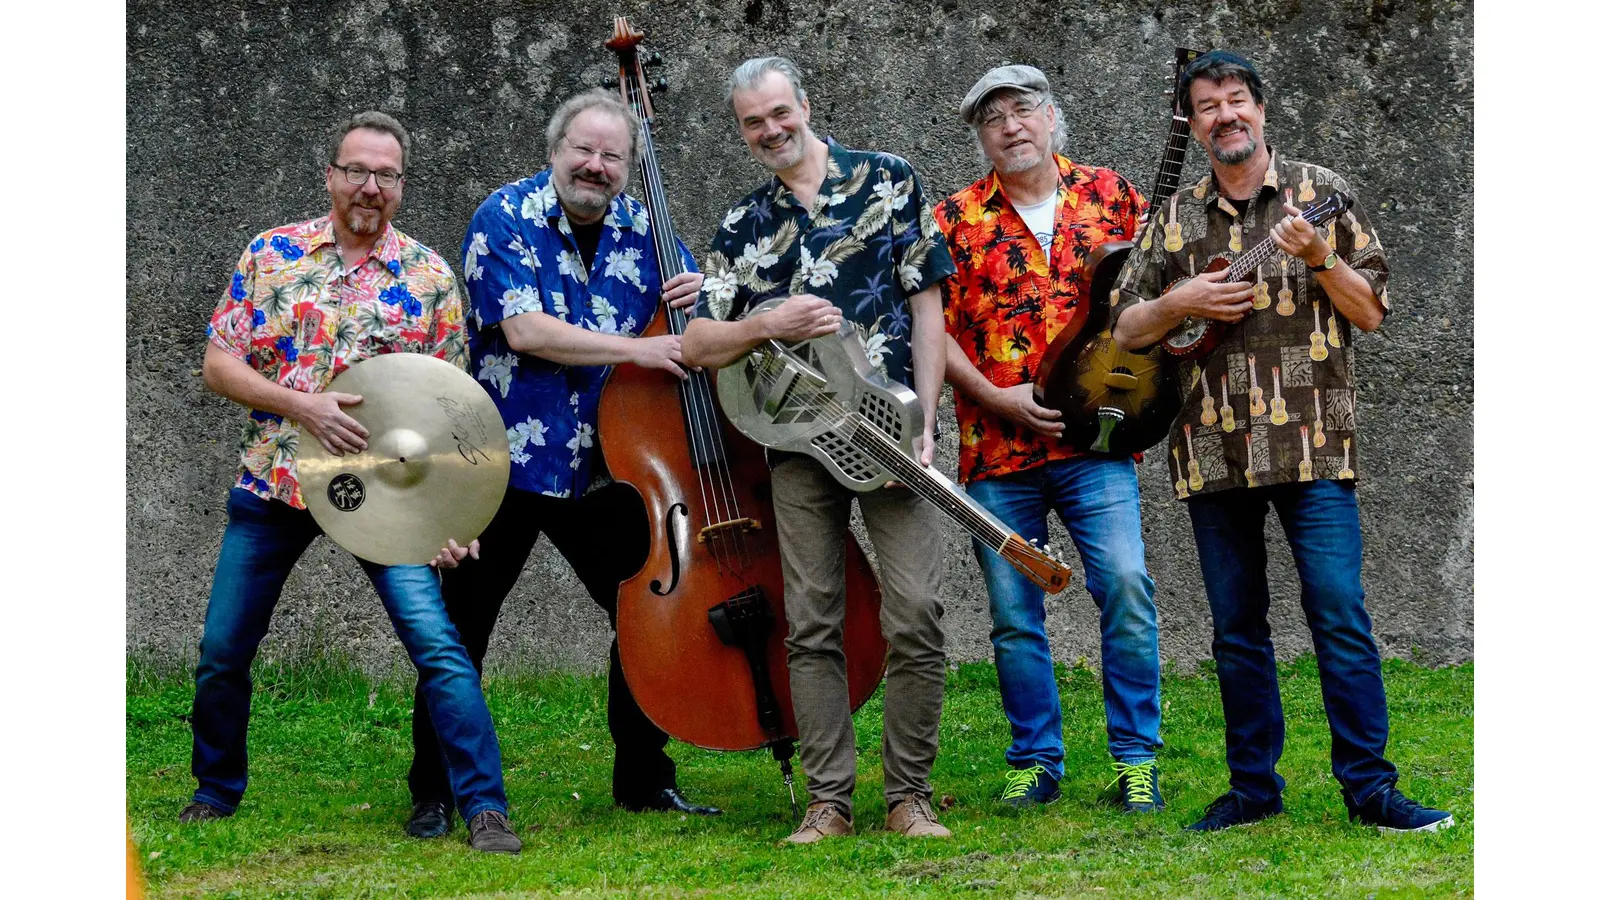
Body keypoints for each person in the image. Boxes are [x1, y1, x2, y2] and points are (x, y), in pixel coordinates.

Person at [1110, 50, 1454, 834]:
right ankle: (1253, 791)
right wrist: (1182, 301)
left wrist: (1321, 257)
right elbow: (1125, 326)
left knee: (1339, 615)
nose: (1225, 115)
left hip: (1312, 446)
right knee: (1236, 631)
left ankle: (1370, 790)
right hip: (1211, 450)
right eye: (1207, 105)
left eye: (1236, 99)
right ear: (1194, 124)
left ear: (1260, 110)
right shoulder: (1174, 217)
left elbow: (1370, 311)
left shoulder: (1320, 192)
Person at [184, 111, 521, 853]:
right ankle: (214, 789)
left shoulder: (430, 278)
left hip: (387, 498)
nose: (370, 186)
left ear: (401, 185)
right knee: (223, 650)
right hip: (275, 481)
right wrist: (301, 404)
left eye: (386, 175)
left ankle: (485, 807)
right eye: (357, 170)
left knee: (440, 650)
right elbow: (218, 364)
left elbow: (456, 415)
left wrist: (454, 521)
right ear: (331, 175)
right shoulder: (270, 254)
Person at [402, 90, 721, 841]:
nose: (596, 165)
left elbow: (690, 334)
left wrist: (701, 300)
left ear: (629, 166)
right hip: (502, 461)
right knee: (461, 629)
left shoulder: (651, 230)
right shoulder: (503, 216)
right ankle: (434, 790)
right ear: (555, 149)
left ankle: (644, 778)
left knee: (646, 616)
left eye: (613, 155)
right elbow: (525, 331)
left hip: (610, 467)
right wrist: (641, 348)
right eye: (584, 149)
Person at [682, 57, 957, 844]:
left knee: (917, 613)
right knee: (811, 623)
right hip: (799, 446)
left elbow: (928, 309)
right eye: (753, 122)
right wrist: (764, 324)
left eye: (779, 113)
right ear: (742, 131)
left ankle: (909, 797)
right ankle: (827, 801)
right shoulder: (743, 224)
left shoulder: (889, 180)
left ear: (804, 105)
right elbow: (698, 343)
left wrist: (927, 421)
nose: (770, 130)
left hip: (892, 432)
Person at [932, 65, 1165, 813]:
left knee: (1125, 586)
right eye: (992, 117)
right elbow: (932, 330)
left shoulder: (1113, 195)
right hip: (997, 449)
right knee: (1013, 615)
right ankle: (1035, 762)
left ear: (1051, 115)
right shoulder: (952, 220)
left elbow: (1159, 293)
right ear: (980, 136)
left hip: (1098, 442)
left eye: (1022, 108)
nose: (1011, 125)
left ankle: (1136, 761)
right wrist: (992, 395)